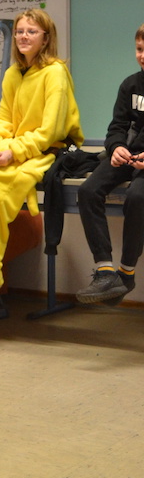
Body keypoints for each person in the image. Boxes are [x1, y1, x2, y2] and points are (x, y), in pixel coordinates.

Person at [0, 9, 83, 308]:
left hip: (47, 150)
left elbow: (51, 131)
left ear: (45, 38)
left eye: (31, 31)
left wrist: (15, 152)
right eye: (20, 31)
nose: (23, 36)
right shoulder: (12, 74)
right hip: (15, 145)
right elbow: (5, 120)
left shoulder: (55, 73)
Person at [75, 24, 144, 304]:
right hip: (128, 155)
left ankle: (126, 273)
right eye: (139, 49)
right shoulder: (130, 85)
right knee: (88, 191)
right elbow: (117, 126)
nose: (142, 56)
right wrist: (116, 148)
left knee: (138, 196)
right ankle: (105, 273)